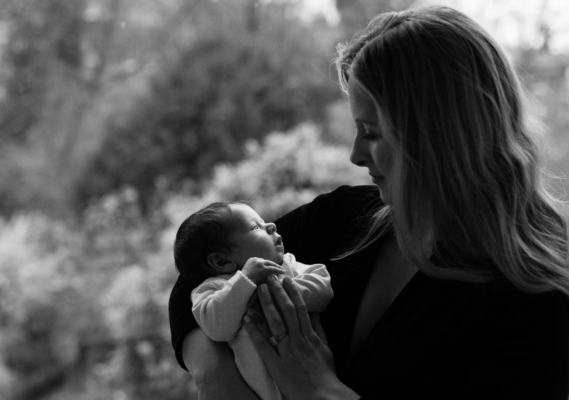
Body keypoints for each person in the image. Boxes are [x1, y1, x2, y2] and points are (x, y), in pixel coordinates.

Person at [169, 5, 569, 399]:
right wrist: (212, 370)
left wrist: (318, 389)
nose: (356, 154)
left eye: (373, 132)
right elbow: (199, 269)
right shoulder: (341, 220)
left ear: (438, 134)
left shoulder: (538, 300)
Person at [173, 201, 333, 400]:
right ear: (221, 261)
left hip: (315, 384)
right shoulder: (213, 288)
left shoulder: (287, 266)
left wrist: (275, 293)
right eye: (256, 227)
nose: (271, 226)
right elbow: (216, 328)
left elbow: (323, 288)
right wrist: (245, 281)